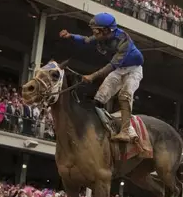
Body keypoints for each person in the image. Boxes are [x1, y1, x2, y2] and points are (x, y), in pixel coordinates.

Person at [59, 12, 144, 143]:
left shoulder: (123, 39)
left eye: (96, 31)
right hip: (119, 69)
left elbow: (112, 65)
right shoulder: (102, 36)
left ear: (105, 30)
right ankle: (95, 126)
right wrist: (71, 36)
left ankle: (126, 132)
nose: (94, 34)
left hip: (133, 70)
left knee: (124, 96)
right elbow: (86, 40)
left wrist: (92, 76)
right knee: (99, 98)